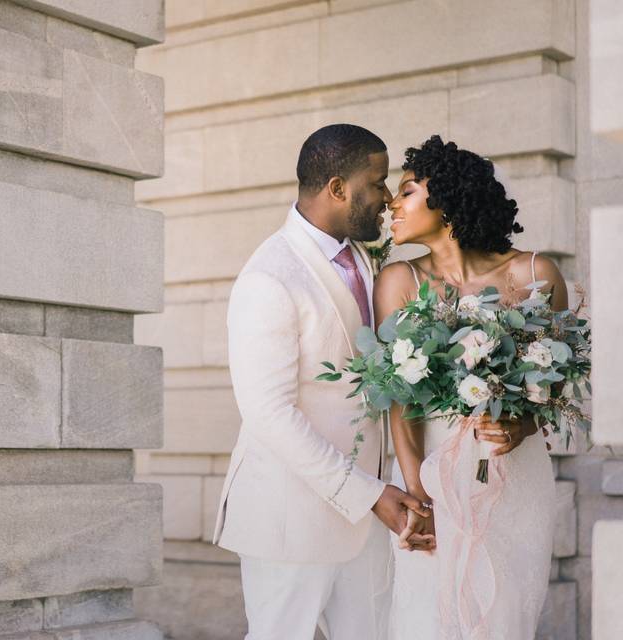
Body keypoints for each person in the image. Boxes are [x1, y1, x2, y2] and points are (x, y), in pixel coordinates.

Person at [211, 123, 430, 639]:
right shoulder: (269, 277)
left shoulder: (368, 259)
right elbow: (269, 415)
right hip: (290, 522)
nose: (385, 198)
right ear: (337, 188)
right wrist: (369, 494)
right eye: (377, 183)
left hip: (369, 521)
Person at [377, 135, 562, 639]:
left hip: (513, 476)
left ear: (449, 199)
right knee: (424, 620)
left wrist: (521, 425)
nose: (392, 202)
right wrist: (419, 497)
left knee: (502, 620)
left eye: (408, 190)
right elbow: (400, 400)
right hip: (433, 471)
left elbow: (555, 389)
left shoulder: (534, 275)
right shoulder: (399, 281)